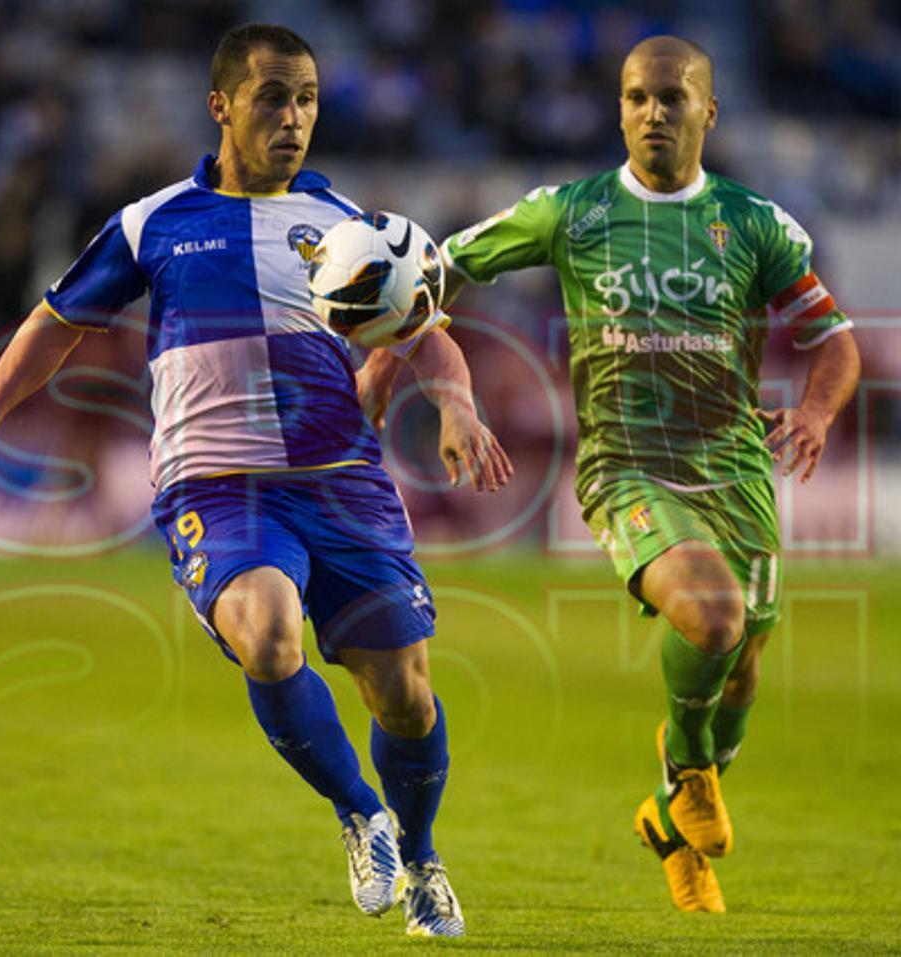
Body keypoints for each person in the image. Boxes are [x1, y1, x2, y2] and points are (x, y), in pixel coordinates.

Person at [0, 23, 513, 938]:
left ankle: (423, 857)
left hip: (341, 481)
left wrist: (456, 407)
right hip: (216, 485)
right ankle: (360, 811)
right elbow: (55, 322)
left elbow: (426, 333)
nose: (294, 118)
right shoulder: (152, 223)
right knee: (270, 636)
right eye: (273, 98)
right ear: (222, 106)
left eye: (308, 100)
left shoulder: (345, 227)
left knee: (405, 695)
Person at [362, 35, 861, 913]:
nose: (652, 113)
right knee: (713, 616)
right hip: (626, 465)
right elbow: (438, 270)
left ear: (710, 111)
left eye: (672, 98)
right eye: (636, 97)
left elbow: (836, 341)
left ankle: (669, 814)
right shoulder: (571, 211)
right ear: (619, 110)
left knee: (742, 667)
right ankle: (688, 769)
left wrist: (817, 412)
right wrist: (391, 363)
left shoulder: (757, 223)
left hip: (736, 468)